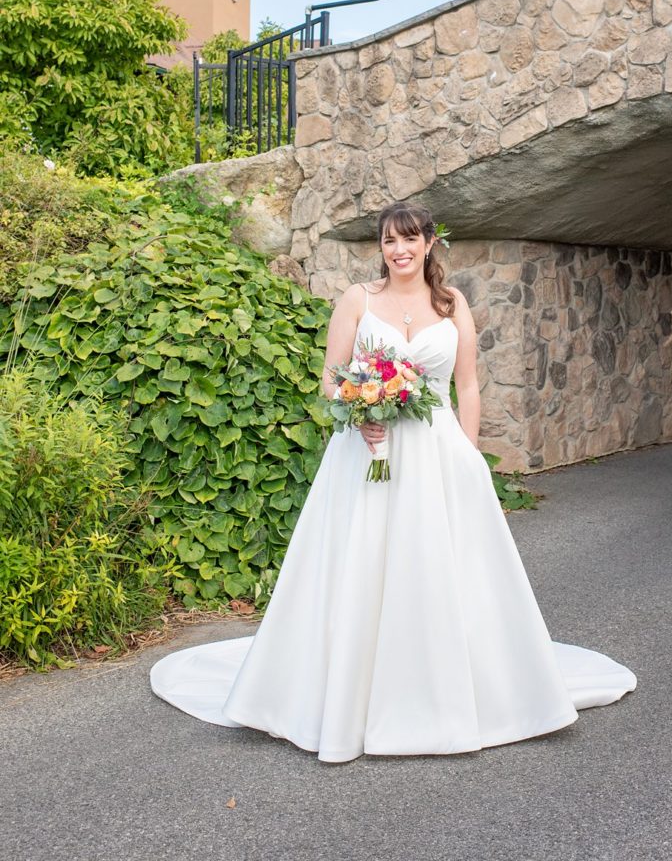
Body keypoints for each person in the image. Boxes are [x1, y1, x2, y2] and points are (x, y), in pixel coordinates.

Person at [150, 201, 635, 762]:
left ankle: (442, 691)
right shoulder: (358, 300)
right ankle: (350, 693)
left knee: (435, 565)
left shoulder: (454, 305)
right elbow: (330, 381)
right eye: (388, 242)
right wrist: (362, 404)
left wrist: (469, 456)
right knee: (363, 561)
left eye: (409, 240)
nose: (399, 250)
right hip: (366, 451)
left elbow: (468, 388)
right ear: (380, 248)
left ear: (430, 243)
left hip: (436, 451)